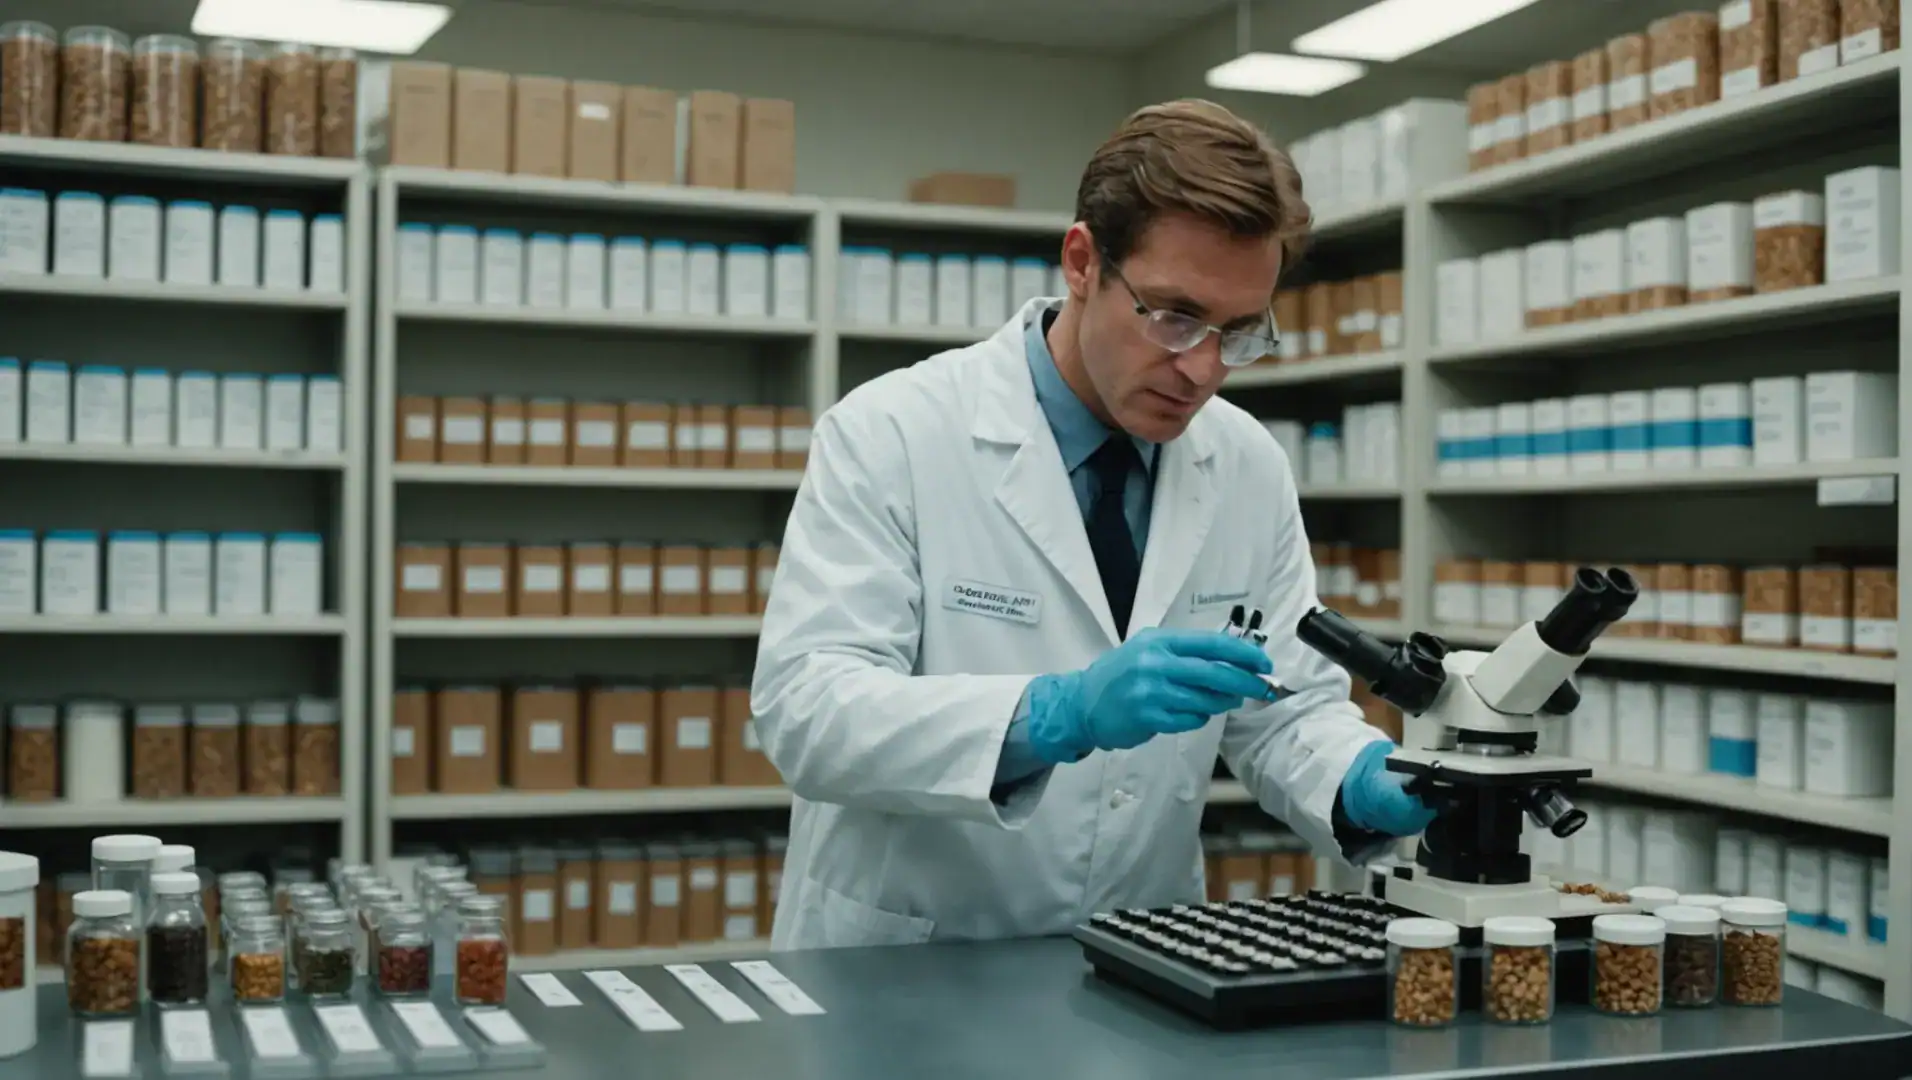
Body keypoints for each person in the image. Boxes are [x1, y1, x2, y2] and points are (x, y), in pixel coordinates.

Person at [751, 99, 1434, 950]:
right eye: (1175, 316)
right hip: (912, 962)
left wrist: (1362, 775)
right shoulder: (893, 431)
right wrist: (1053, 714)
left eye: (1239, 331)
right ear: (1082, 262)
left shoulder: (1247, 464)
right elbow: (809, 713)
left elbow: (1283, 709)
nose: (1203, 369)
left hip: (1143, 956)